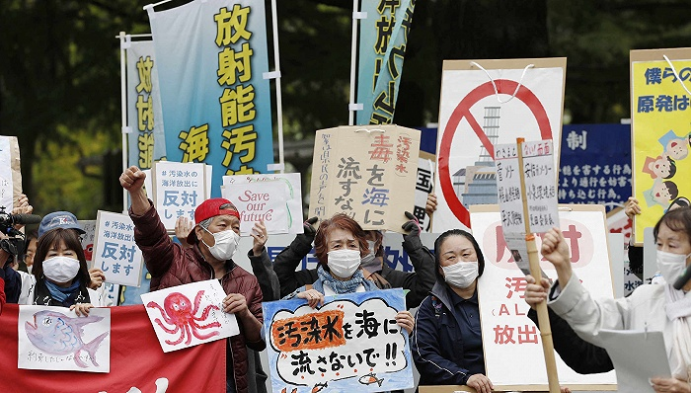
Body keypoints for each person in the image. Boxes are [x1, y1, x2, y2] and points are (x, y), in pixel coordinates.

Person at [120, 165, 267, 393]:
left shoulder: (246, 281)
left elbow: (259, 340)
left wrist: (245, 313)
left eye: (236, 228)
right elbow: (150, 234)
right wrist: (137, 193)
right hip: (176, 378)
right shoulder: (172, 261)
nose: (231, 233)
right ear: (200, 232)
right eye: (223, 225)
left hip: (227, 383)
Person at [527, 207, 691, 393]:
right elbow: (594, 319)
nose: (663, 253)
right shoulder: (646, 297)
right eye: (660, 244)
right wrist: (563, 266)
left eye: (673, 245)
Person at [271, 213, 436, 308]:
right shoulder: (311, 282)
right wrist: (302, 242)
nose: (345, 250)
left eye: (353, 242)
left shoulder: (389, 284)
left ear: (376, 242)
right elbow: (277, 283)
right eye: (337, 245)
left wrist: (414, 244)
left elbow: (429, 285)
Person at [283, 213, 414, 330]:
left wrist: (405, 331)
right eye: (337, 246)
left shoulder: (383, 299)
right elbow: (271, 332)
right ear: (324, 252)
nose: (345, 251)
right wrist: (294, 302)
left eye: (352, 245)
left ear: (361, 251)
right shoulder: (304, 296)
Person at [412, 229, 494, 393]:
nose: (460, 263)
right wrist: (465, 377)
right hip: (451, 389)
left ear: (478, 258)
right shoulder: (430, 307)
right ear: (440, 268)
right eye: (451, 257)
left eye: (466, 254)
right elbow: (425, 355)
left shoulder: (501, 301)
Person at [28, 228, 105, 315]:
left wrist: (91, 314)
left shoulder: (95, 298)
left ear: (79, 259)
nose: (61, 260)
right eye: (53, 254)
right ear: (42, 260)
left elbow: (104, 326)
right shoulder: (26, 292)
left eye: (68, 253)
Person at [38, 210, 107, 291]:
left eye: (73, 238)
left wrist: (87, 291)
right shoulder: (27, 288)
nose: (62, 259)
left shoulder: (94, 285)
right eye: (56, 237)